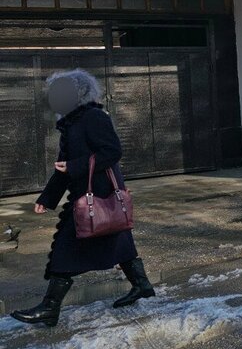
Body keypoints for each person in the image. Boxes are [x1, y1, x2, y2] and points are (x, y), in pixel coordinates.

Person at [10, 69, 155, 328]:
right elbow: (64, 167)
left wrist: (76, 166)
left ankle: (49, 308)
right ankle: (142, 286)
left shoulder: (94, 117)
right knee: (118, 241)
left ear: (79, 93)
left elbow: (112, 152)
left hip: (99, 196)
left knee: (66, 247)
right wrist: (48, 197)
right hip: (90, 196)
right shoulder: (71, 123)